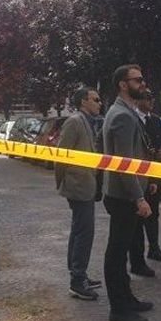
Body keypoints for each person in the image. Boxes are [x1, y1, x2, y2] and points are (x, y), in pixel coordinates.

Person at [102, 64, 154, 321]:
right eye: (137, 80)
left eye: (142, 79)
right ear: (123, 84)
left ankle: (126, 298)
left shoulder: (126, 111)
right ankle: (118, 308)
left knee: (121, 251)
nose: (143, 83)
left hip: (127, 193)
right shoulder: (121, 115)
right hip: (123, 196)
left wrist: (147, 184)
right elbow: (123, 164)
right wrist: (138, 197)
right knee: (117, 252)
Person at [55, 87, 103, 300]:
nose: (100, 103)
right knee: (85, 233)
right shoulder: (74, 122)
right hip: (78, 186)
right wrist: (62, 183)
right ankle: (77, 281)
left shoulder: (88, 122)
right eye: (96, 100)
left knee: (79, 230)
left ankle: (78, 273)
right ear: (84, 101)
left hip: (86, 185)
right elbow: (61, 155)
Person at [128, 89, 161, 278]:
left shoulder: (155, 121)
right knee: (136, 219)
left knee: (153, 214)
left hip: (152, 174)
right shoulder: (131, 119)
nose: (152, 101)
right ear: (138, 101)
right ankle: (136, 259)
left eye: (153, 98)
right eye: (147, 98)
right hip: (135, 176)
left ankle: (154, 248)